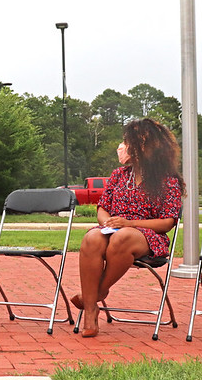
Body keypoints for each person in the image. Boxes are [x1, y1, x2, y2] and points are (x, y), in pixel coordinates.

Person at [72, 118, 184, 338]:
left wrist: (129, 223)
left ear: (144, 145)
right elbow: (103, 208)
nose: (121, 147)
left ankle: (92, 297)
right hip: (113, 230)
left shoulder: (167, 180)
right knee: (92, 239)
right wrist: (107, 222)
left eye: (126, 141)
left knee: (122, 237)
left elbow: (167, 222)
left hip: (148, 236)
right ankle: (91, 313)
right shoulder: (119, 176)